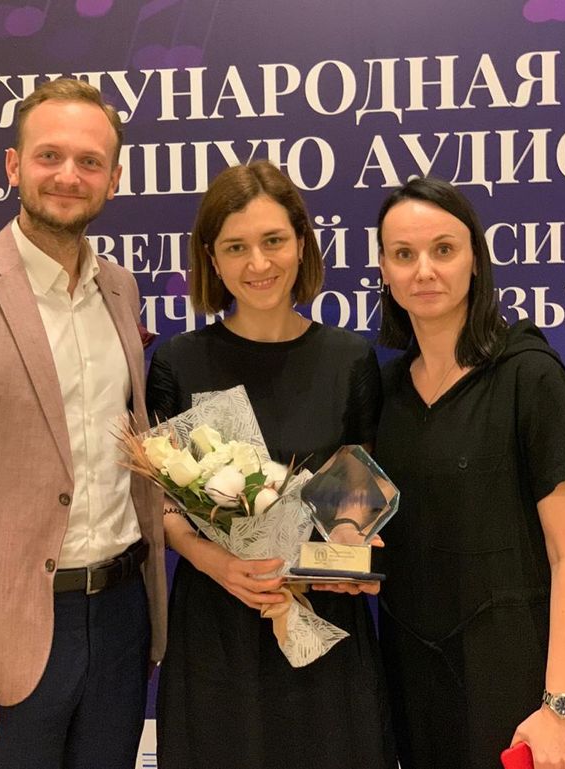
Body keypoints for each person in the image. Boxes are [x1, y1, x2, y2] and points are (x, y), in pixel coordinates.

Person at [0, 78, 166, 769]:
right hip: (3, 632)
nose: (69, 175)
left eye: (90, 161)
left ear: (113, 179)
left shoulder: (119, 287)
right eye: (49, 156)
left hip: (121, 619)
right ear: (13, 165)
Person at [145, 160, 396, 769]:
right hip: (217, 624)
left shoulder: (349, 360)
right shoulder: (179, 361)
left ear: (301, 243)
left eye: (273, 240)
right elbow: (159, 505)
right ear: (212, 258)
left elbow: (359, 495)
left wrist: (350, 551)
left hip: (323, 622)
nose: (258, 263)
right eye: (236, 246)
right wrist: (221, 563)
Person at [374, 176, 565, 769]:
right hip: (413, 678)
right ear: (383, 270)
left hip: (514, 681)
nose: (424, 271)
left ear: (475, 260)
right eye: (403, 254)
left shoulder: (529, 375)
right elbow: (355, 524)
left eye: (443, 249)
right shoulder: (384, 391)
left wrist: (560, 706)